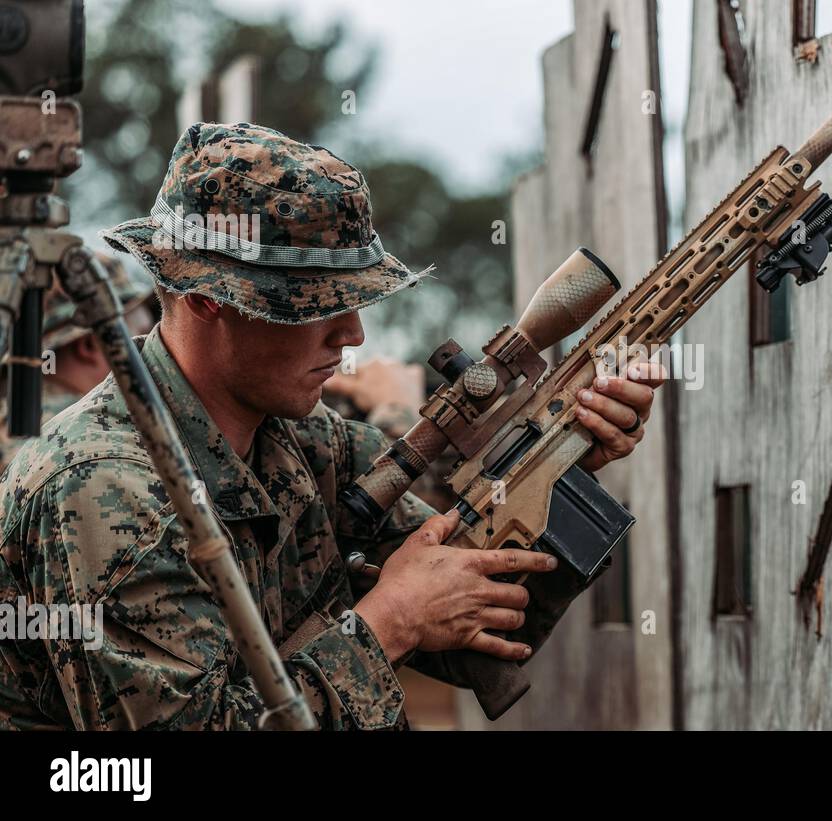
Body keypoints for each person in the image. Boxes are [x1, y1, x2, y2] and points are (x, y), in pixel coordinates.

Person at [0, 122, 661, 730]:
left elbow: (473, 603)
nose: (353, 333)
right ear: (208, 296)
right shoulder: (103, 487)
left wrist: (560, 454)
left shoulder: (309, 442)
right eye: (317, 304)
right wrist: (390, 621)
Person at [0, 254, 156, 473]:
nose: (150, 349)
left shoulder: (16, 422)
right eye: (141, 335)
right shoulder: (97, 437)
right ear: (90, 345)